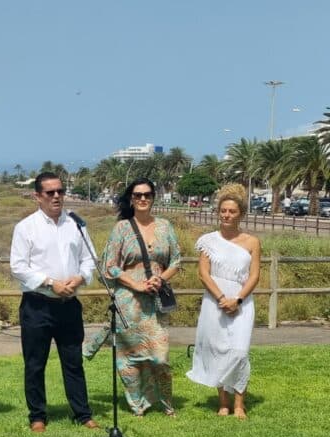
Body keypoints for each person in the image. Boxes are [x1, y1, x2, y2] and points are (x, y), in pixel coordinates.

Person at [10, 172, 99, 432]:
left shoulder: (76, 224)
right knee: (35, 363)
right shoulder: (25, 227)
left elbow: (89, 257)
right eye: (50, 193)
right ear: (38, 196)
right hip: (37, 305)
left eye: (60, 191)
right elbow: (18, 267)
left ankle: (82, 414)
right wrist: (50, 282)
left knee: (73, 362)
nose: (57, 196)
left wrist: (80, 278)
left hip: (69, 305)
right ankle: (37, 416)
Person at [89, 178, 181, 417]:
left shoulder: (165, 226)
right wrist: (136, 284)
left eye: (147, 195)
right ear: (131, 198)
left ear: (153, 197)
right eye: (138, 195)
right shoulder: (121, 228)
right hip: (128, 301)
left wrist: (160, 279)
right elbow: (110, 266)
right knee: (130, 358)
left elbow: (176, 261)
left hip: (155, 301)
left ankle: (165, 401)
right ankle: (137, 404)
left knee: (160, 357)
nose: (143, 199)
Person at [187, 183, 261, 419]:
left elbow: (255, 275)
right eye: (223, 211)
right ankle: (223, 402)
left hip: (242, 302)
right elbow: (203, 273)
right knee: (218, 349)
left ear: (241, 215)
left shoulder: (252, 242)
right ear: (218, 212)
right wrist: (221, 298)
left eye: (232, 212)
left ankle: (239, 403)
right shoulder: (208, 241)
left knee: (239, 351)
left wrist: (237, 300)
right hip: (215, 301)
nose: (227, 215)